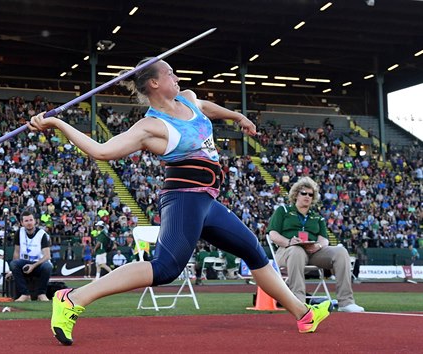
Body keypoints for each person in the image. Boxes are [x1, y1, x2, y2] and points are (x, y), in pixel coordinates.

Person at [27, 58, 331, 346]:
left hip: (208, 201)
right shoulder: (151, 127)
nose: (177, 77)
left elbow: (205, 108)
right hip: (184, 199)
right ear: (155, 83)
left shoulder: (187, 98)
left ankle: (303, 314)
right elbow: (102, 151)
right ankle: (73, 299)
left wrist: (237, 116)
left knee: (252, 248)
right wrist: (58, 125)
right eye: (170, 72)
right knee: (165, 269)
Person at [267, 176, 364, 313]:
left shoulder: (317, 217)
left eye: (311, 194)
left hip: (311, 252)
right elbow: (273, 235)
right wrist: (289, 242)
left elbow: (324, 239)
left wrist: (317, 246)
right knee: (296, 251)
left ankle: (346, 302)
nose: (307, 196)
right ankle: (298, 302)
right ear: (296, 195)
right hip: (286, 250)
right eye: (304, 193)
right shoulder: (283, 211)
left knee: (341, 252)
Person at [10, 210, 53, 302]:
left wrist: (33, 266)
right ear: (21, 223)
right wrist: (12, 271)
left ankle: (41, 293)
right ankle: (25, 294)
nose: (29, 223)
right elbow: (16, 252)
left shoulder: (42, 234)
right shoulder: (19, 232)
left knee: (48, 266)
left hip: (38, 264)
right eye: (26, 221)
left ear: (35, 221)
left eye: (31, 220)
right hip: (24, 262)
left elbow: (47, 256)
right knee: (14, 264)